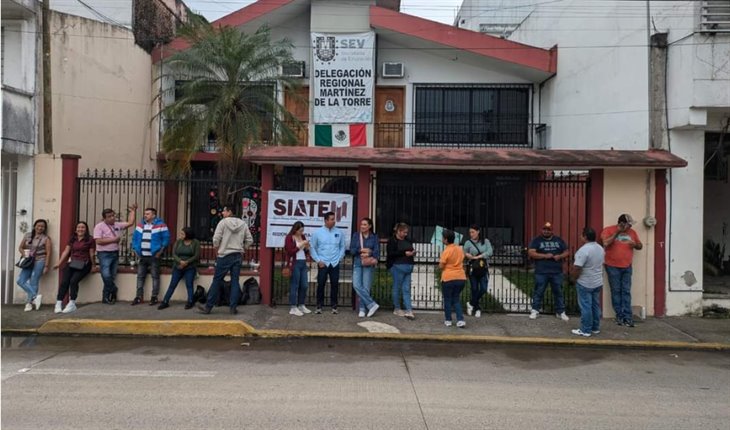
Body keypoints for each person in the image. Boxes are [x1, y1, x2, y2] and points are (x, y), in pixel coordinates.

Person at [197, 203, 253, 315]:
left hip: (224, 255)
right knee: (235, 281)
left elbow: (216, 238)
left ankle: (208, 307)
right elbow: (250, 240)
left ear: (229, 212)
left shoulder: (222, 222)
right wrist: (243, 248)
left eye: (224, 211)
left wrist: (217, 249)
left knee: (217, 280)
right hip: (237, 255)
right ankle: (233, 307)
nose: (222, 213)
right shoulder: (243, 224)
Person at [601, 213, 643, 327]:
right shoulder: (609, 230)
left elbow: (640, 246)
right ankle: (619, 316)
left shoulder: (632, 233)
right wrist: (618, 232)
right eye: (629, 224)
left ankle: (627, 317)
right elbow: (605, 243)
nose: (630, 227)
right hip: (612, 265)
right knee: (616, 291)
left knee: (626, 291)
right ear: (622, 224)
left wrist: (635, 244)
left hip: (627, 266)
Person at [94, 204, 137, 304]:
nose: (112, 218)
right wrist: (114, 239)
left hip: (115, 253)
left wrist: (133, 211)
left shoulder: (117, 225)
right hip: (104, 254)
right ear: (104, 218)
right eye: (109, 216)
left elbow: (130, 223)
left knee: (112, 275)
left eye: (113, 215)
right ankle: (113, 289)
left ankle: (105, 298)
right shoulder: (99, 226)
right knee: (106, 275)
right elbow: (98, 241)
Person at [528, 221, 570, 321]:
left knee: (558, 292)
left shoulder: (559, 240)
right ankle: (535, 310)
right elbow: (531, 253)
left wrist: (560, 256)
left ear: (552, 231)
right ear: (542, 230)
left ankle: (560, 312)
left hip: (556, 271)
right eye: (544, 229)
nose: (546, 231)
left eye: (548, 230)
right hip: (541, 271)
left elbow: (567, 252)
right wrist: (545, 256)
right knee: (539, 291)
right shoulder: (536, 240)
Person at [53, 222, 96, 313]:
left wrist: (93, 265)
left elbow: (92, 254)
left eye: (83, 227)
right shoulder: (73, 239)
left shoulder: (90, 239)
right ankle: (58, 303)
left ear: (86, 229)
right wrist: (59, 263)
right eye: (79, 227)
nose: (80, 229)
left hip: (84, 264)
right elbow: (66, 251)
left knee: (73, 281)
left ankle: (72, 303)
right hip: (72, 263)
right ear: (76, 229)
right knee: (64, 281)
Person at [570, 227, 605, 337]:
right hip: (597, 282)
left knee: (586, 306)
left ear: (585, 237)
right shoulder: (600, 248)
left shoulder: (584, 250)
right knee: (595, 305)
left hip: (585, 282)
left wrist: (573, 279)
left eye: (582, 235)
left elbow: (577, 268)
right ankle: (595, 327)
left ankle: (585, 329)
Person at [130, 207, 170, 305]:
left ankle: (154, 297)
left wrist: (159, 252)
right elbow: (134, 238)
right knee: (140, 277)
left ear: (153, 215)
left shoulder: (161, 225)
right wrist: (135, 249)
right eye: (145, 213)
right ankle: (139, 297)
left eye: (148, 214)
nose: (145, 215)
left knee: (155, 276)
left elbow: (166, 239)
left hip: (154, 256)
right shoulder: (140, 225)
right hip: (142, 256)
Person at [309, 212, 346, 314]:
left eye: (334, 219)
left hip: (334, 263)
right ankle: (319, 305)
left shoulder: (339, 232)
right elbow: (312, 247)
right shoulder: (318, 233)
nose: (334, 221)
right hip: (323, 263)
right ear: (326, 220)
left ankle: (334, 306)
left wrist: (339, 258)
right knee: (321, 284)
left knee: (335, 284)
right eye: (332, 219)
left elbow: (342, 246)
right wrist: (318, 260)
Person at [158, 227, 200, 310]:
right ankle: (165, 301)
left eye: (182, 234)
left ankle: (190, 301)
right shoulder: (178, 242)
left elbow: (196, 255)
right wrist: (180, 261)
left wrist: (186, 262)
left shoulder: (195, 243)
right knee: (172, 284)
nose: (180, 235)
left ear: (188, 235)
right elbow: (174, 254)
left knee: (189, 284)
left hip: (190, 266)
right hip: (178, 266)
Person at [16, 219, 52, 311]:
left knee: (34, 281)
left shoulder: (46, 238)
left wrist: (46, 266)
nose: (40, 228)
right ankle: (35, 296)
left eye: (42, 226)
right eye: (38, 225)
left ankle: (29, 303)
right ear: (35, 226)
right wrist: (24, 254)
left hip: (40, 261)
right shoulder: (28, 235)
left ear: (44, 228)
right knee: (20, 281)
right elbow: (20, 247)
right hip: (28, 261)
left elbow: (48, 253)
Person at [350, 217, 380, 318]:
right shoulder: (356, 236)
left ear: (370, 226)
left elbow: (377, 252)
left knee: (366, 287)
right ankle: (372, 304)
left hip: (368, 263)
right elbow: (352, 250)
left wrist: (370, 252)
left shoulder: (374, 237)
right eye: (361, 224)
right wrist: (361, 250)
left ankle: (362, 308)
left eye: (365, 225)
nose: (362, 226)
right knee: (356, 285)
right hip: (358, 262)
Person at [386, 222, 416, 320]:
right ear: (398, 231)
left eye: (406, 232)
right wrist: (404, 253)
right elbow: (390, 253)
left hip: (408, 266)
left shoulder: (407, 240)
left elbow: (410, 248)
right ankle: (397, 308)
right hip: (397, 266)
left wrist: (412, 253)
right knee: (397, 287)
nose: (405, 234)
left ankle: (409, 309)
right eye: (404, 232)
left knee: (406, 289)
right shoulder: (392, 241)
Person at [463, 224, 493, 318]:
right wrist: (468, 255)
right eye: (470, 232)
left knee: (483, 288)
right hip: (473, 268)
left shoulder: (486, 241)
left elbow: (490, 252)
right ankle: (477, 308)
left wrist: (479, 256)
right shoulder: (468, 242)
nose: (471, 234)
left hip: (483, 267)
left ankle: (471, 303)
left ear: (478, 231)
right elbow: (464, 253)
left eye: (473, 232)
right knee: (474, 289)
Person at [440, 229, 467, 328]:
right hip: (460, 277)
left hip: (448, 278)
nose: (442, 239)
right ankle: (460, 320)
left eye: (443, 237)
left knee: (447, 299)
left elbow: (441, 265)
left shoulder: (446, 250)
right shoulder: (459, 249)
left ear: (446, 240)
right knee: (456, 299)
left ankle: (448, 320)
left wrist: (440, 266)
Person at [284, 221, 311, 316]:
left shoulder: (302, 237)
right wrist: (299, 246)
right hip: (294, 263)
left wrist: (307, 247)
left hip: (303, 262)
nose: (301, 233)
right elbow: (290, 252)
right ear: (295, 229)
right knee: (294, 285)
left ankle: (301, 304)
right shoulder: (289, 237)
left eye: (302, 231)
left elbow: (306, 252)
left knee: (304, 285)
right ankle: (293, 307)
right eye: (300, 231)